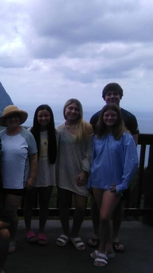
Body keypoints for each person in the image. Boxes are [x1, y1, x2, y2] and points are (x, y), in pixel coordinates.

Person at [88, 82, 139, 252]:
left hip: (117, 177)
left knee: (115, 209)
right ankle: (98, 236)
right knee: (97, 208)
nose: (112, 96)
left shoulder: (129, 120)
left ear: (120, 96)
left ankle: (112, 239)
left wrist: (125, 179)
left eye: (115, 93)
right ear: (104, 97)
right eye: (108, 94)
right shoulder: (96, 118)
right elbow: (91, 151)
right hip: (97, 178)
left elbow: (132, 151)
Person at [0, 105, 38, 254]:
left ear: (19, 119)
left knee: (11, 212)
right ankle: (2, 235)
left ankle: (12, 237)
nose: (13, 119)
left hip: (17, 182)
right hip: (0, 180)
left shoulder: (27, 135)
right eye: (10, 117)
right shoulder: (0, 135)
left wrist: (32, 177)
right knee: (1, 211)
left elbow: (34, 156)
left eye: (16, 116)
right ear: (6, 120)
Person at [55, 99, 93, 251]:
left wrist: (85, 171)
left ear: (80, 111)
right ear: (65, 110)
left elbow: (90, 152)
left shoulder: (86, 127)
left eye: (76, 109)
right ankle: (65, 233)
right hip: (63, 172)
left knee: (81, 207)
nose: (72, 111)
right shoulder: (59, 130)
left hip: (80, 173)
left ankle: (75, 233)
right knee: (63, 206)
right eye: (70, 108)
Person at [24, 105, 57, 246]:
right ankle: (28, 229)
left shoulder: (55, 133)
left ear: (50, 117)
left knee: (44, 205)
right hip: (33, 175)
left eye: (46, 116)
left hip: (49, 175)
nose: (43, 118)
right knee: (28, 204)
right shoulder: (30, 133)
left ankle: (41, 230)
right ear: (36, 118)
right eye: (40, 116)